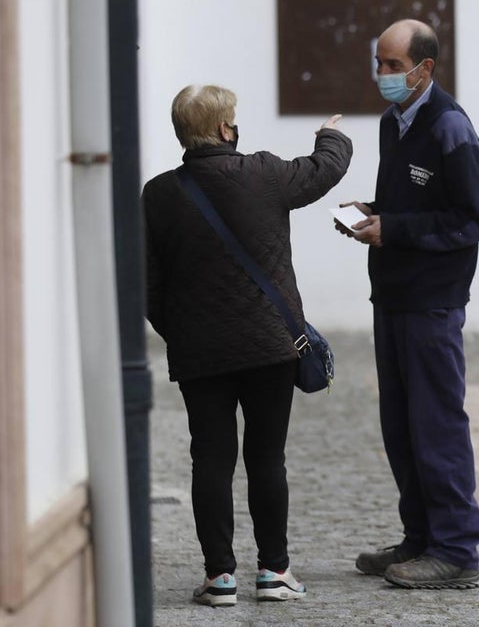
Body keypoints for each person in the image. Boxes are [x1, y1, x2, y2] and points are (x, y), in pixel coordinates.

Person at [143, 84, 351, 607]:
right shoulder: (264, 173)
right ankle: (274, 571)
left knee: (210, 460)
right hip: (270, 348)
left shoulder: (159, 194)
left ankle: (219, 578)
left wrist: (181, 331)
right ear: (224, 129)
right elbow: (323, 170)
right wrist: (330, 136)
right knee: (267, 458)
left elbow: (148, 285)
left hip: (200, 355)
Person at [338, 19, 479, 589]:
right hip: (393, 294)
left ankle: (456, 551)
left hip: (432, 301)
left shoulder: (451, 128)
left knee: (436, 423)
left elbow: (475, 219)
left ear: (424, 69)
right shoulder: (392, 122)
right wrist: (371, 214)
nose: (381, 74)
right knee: (401, 425)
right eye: (378, 63)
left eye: (393, 66)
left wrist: (396, 229)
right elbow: (410, 204)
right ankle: (421, 538)